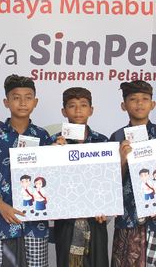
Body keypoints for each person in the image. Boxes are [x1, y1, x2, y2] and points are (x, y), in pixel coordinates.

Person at [0, 74, 51, 267]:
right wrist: (1, 206)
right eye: (16, 97)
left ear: (35, 102)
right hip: (2, 222)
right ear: (6, 102)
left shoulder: (43, 136)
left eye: (28, 97)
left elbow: (52, 176)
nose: (23, 102)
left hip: (35, 224)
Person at [111, 80, 156, 267]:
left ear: (152, 104)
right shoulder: (117, 137)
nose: (139, 103)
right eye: (133, 99)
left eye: (145, 99)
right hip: (128, 218)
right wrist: (121, 159)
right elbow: (110, 183)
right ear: (124, 105)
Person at [51, 87, 109, 267]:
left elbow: (109, 180)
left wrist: (106, 206)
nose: (78, 110)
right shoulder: (54, 141)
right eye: (72, 106)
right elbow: (47, 182)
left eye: (83, 105)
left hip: (96, 218)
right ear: (63, 111)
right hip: (66, 220)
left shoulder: (102, 142)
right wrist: (54, 155)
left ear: (91, 110)